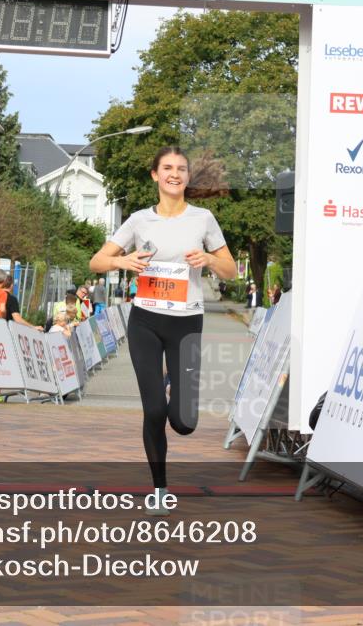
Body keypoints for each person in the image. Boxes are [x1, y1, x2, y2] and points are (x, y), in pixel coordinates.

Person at [89, 146, 236, 513]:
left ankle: (174, 383)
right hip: (146, 321)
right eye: (167, 168)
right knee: (154, 411)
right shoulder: (139, 220)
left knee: (184, 423)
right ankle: (159, 489)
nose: (175, 174)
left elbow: (231, 270)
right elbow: (96, 261)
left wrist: (210, 259)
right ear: (155, 175)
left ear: (188, 177)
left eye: (182, 169)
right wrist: (122, 260)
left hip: (187, 322)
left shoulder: (203, 219)